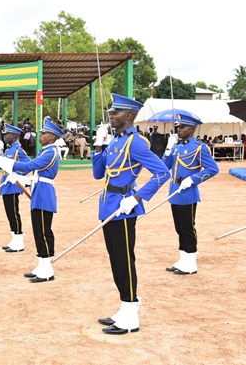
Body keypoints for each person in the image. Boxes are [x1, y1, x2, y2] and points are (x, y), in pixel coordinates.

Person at [91, 94, 170, 335]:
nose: (111, 115)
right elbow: (97, 174)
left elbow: (162, 173)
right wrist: (98, 145)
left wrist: (135, 198)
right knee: (116, 260)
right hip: (108, 204)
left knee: (125, 261)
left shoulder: (136, 142)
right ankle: (125, 307)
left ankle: (131, 314)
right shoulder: (116, 141)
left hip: (124, 207)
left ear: (129, 115)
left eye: (116, 112)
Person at [0, 117, 62, 282]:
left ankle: (47, 268)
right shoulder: (45, 151)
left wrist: (4, 162)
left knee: (44, 231)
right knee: (38, 230)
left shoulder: (51, 152)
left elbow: (28, 167)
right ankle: (41, 264)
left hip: (44, 195)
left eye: (44, 133)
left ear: (52, 137)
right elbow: (36, 174)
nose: (40, 135)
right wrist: (25, 180)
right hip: (38, 192)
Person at [161, 112, 219, 275]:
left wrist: (193, 179)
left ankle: (191, 262)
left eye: (183, 127)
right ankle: (183, 259)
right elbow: (165, 167)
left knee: (187, 228)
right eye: (178, 127)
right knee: (179, 228)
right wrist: (168, 147)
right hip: (174, 191)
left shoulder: (200, 148)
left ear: (192, 129)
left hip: (187, 193)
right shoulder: (177, 147)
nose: (179, 130)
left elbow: (213, 169)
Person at [0, 123, 30, 253]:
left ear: (15, 136)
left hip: (13, 185)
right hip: (6, 183)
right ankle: (14, 238)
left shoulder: (18, 150)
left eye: (7, 134)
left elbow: (29, 164)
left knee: (14, 213)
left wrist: (18, 176)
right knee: (9, 213)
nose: (5, 136)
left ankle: (19, 240)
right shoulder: (8, 150)